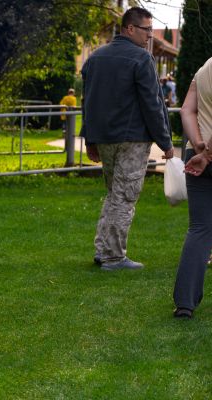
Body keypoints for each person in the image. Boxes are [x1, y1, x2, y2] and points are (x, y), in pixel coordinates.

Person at [80, 7, 174, 271]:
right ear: (130, 28)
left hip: (105, 139)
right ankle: (114, 257)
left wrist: (89, 139)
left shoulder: (95, 59)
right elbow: (153, 104)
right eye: (146, 30)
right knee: (125, 197)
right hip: (132, 139)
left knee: (114, 195)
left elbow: (88, 103)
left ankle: (103, 250)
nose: (150, 36)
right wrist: (166, 142)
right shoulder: (141, 59)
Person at [172, 57, 212, 319]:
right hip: (205, 157)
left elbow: (186, 110)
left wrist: (198, 145)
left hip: (195, 155)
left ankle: (184, 303)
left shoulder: (205, 67)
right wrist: (207, 154)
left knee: (199, 228)